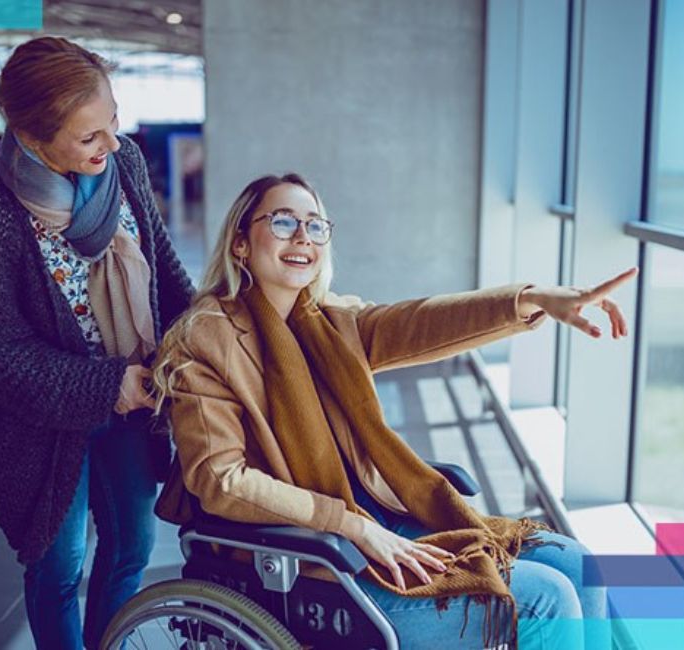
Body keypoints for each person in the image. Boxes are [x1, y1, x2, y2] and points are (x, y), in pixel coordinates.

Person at [152, 173, 636, 649]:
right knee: (543, 599)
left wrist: (530, 300)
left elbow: (423, 321)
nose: (303, 236)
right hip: (306, 560)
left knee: (578, 565)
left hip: (378, 521)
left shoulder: (330, 321)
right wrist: (349, 524)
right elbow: (221, 481)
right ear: (240, 243)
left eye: (315, 225)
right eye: (282, 222)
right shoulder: (206, 339)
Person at [0, 36, 194, 649]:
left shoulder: (126, 165)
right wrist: (110, 384)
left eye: (112, 120)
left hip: (136, 402)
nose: (111, 144)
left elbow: (164, 271)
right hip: (45, 426)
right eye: (89, 137)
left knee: (131, 548)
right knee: (58, 569)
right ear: (33, 137)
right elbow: (3, 357)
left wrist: (202, 337)